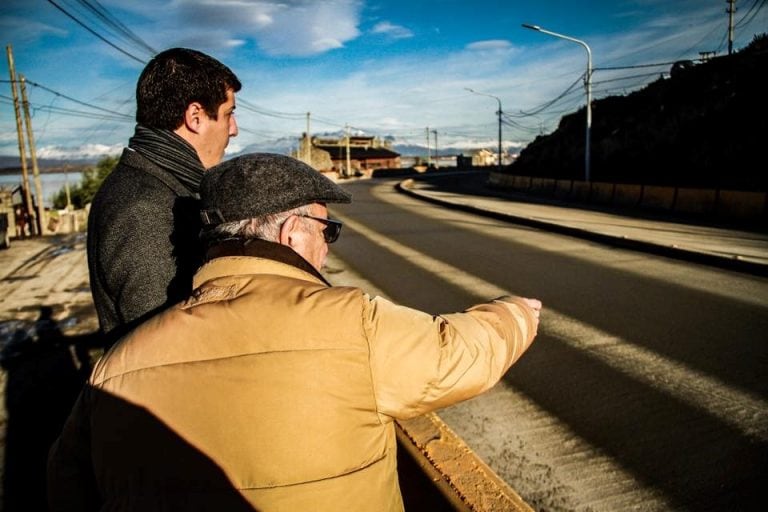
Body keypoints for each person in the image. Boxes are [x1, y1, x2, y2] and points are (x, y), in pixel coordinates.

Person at [49, 153, 542, 511]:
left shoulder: (114, 368)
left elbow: (67, 485)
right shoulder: (352, 323)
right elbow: (460, 355)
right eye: (326, 230)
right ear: (291, 233)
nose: (328, 247)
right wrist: (516, 310)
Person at [87, 47, 241, 347]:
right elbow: (165, 348)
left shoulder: (159, 185)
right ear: (195, 116)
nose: (233, 130)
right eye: (228, 114)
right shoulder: (144, 208)